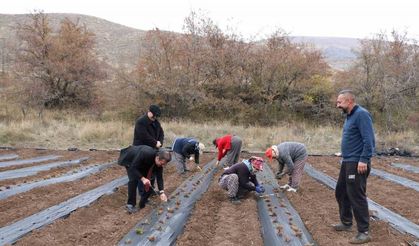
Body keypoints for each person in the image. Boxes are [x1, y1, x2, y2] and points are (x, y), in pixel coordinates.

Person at [333, 89, 375, 244]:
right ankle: (346, 222)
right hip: (348, 161)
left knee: (356, 196)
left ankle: (364, 232)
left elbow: (368, 139)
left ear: (349, 101)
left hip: (358, 162)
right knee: (341, 192)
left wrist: (364, 159)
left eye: (340, 102)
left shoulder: (362, 114)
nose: (337, 105)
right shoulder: (349, 116)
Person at [118, 145, 171, 214]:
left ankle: (144, 201)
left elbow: (159, 177)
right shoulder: (145, 154)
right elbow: (133, 168)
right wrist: (143, 178)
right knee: (133, 180)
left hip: (142, 163)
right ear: (157, 158)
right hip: (130, 160)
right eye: (161, 163)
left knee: (150, 179)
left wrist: (162, 192)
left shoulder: (159, 162)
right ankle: (130, 204)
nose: (162, 166)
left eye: (164, 164)